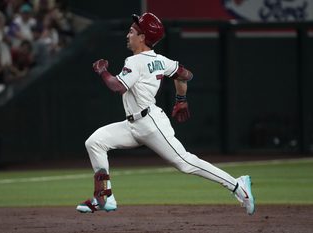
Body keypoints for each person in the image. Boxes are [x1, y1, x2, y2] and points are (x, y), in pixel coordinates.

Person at [76, 13, 255, 215]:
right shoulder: (160, 60)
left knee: (185, 163)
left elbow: (117, 86)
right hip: (133, 124)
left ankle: (237, 186)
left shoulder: (135, 62)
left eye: (132, 31)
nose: (128, 35)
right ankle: (105, 197)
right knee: (95, 142)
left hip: (151, 124)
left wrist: (103, 71)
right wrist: (181, 99)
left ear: (142, 37)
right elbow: (184, 74)